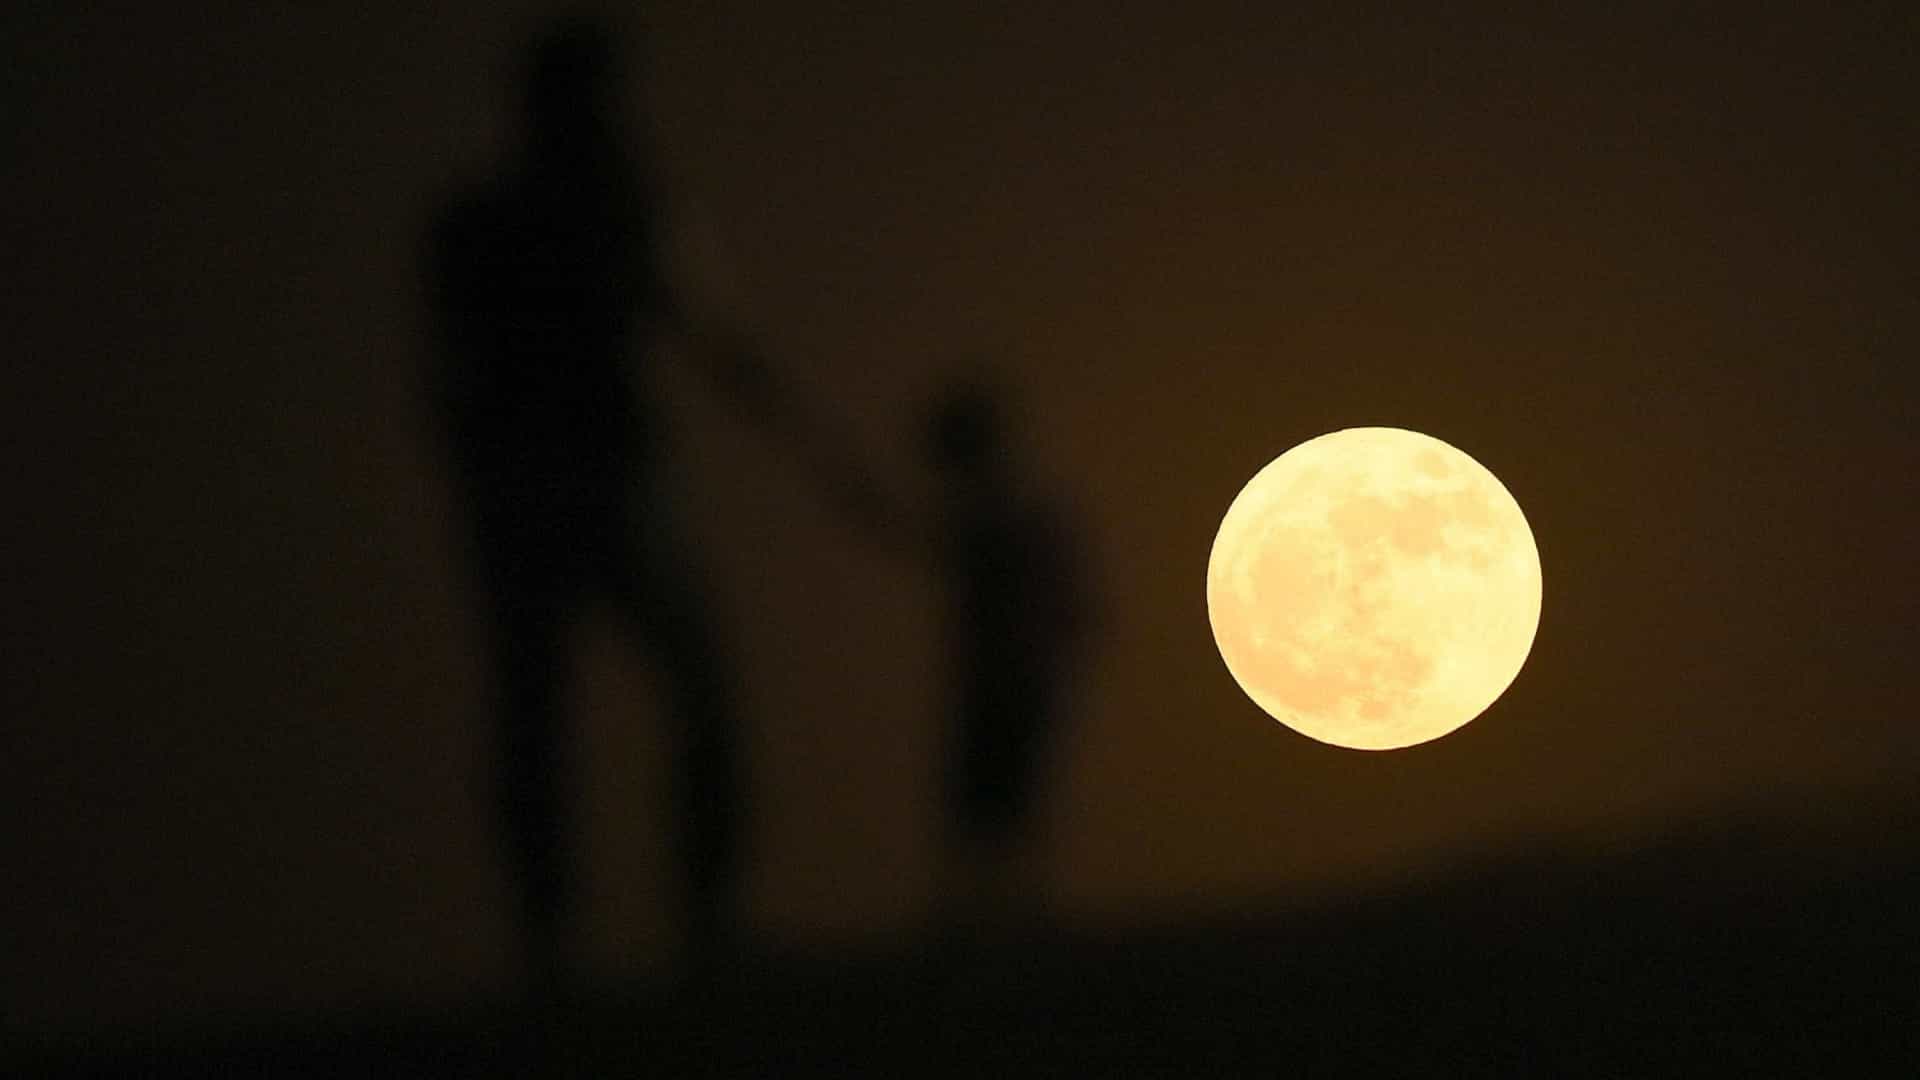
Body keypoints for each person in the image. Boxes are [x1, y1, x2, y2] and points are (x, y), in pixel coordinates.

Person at [424, 16, 758, 988]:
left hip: (581, 487)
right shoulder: (524, 220)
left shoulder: (599, 210)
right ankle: (588, 934)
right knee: (567, 710)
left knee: (575, 709)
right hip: (578, 488)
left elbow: (709, 333)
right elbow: (713, 338)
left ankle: (628, 929)